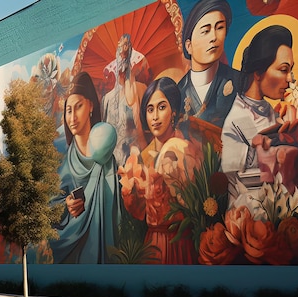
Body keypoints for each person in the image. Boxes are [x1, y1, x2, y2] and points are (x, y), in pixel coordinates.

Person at [119, 77, 199, 264]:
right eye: (150, 109)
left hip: (178, 243)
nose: (154, 116)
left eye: (162, 107)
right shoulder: (143, 157)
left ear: (173, 112)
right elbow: (139, 213)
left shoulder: (183, 149)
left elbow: (190, 203)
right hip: (152, 243)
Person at [221, 25, 298, 202]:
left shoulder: (272, 113)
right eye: (283, 70)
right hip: (248, 215)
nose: (290, 79)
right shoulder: (236, 118)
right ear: (258, 72)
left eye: (291, 70)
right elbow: (232, 171)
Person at [50, 71, 121, 264]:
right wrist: (67, 205)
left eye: (78, 106)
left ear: (90, 105)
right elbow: (50, 207)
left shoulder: (106, 157)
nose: (72, 117)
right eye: (68, 110)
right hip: (74, 252)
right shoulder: (64, 166)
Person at [178, 0, 239, 133]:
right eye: (205, 31)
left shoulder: (240, 81)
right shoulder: (178, 93)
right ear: (189, 46)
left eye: (220, 28)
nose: (213, 37)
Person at [101, 33, 148, 165]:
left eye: (126, 45)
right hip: (114, 160)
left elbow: (144, 125)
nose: (122, 69)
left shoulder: (140, 89)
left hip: (138, 155)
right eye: (121, 46)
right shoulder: (107, 100)